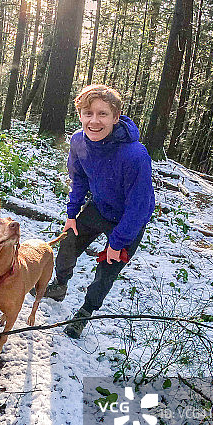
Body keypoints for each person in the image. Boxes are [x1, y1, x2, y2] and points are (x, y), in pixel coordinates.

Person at [44, 84, 155, 338]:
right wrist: (72, 213)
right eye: (88, 113)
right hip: (99, 208)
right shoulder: (78, 141)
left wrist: (118, 242)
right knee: (69, 242)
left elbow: (139, 207)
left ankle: (85, 312)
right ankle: (59, 285)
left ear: (116, 117)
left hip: (128, 220)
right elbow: (79, 177)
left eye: (102, 114)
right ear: (80, 115)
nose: (94, 121)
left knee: (107, 269)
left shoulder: (134, 155)